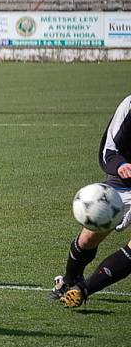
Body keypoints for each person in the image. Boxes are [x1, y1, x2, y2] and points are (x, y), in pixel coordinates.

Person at [51, 94, 131, 308]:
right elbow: (109, 150)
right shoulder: (129, 105)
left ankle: (83, 290)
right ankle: (70, 281)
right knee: (88, 239)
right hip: (123, 184)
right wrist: (121, 165)